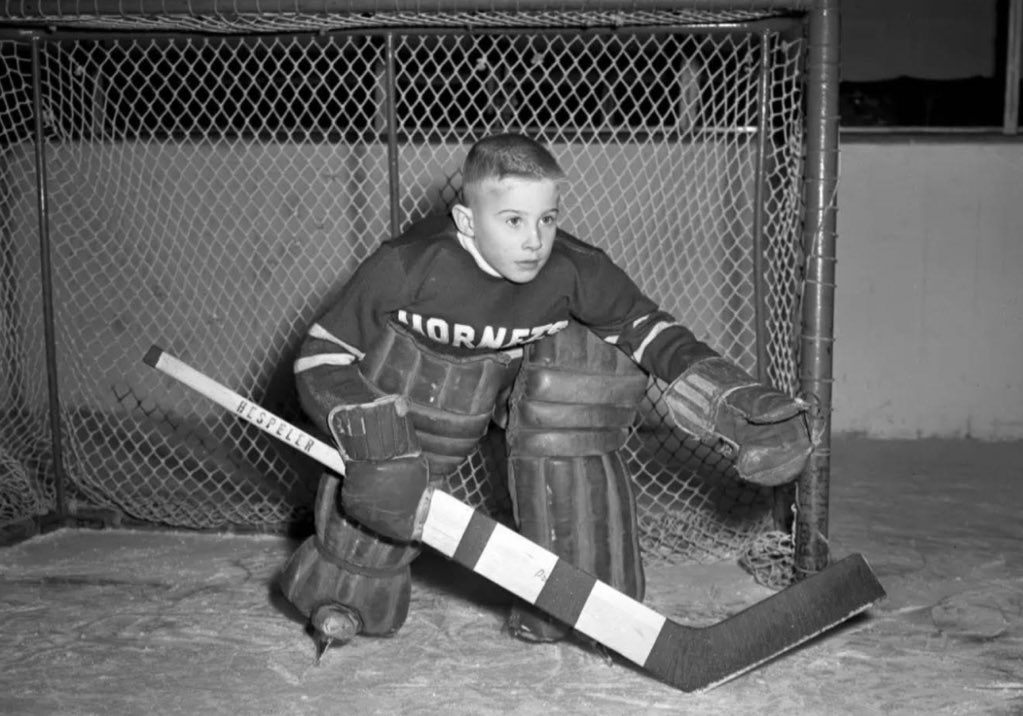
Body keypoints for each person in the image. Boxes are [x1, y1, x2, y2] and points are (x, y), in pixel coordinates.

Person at [278, 133, 812, 653]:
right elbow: (321, 355)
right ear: (467, 220)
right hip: (427, 394)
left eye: (547, 219)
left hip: (522, 387)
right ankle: (350, 581)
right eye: (512, 221)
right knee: (407, 424)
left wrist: (725, 396)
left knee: (589, 358)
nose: (534, 240)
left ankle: (583, 596)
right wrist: (373, 439)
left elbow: (650, 331)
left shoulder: (576, 269)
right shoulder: (407, 264)